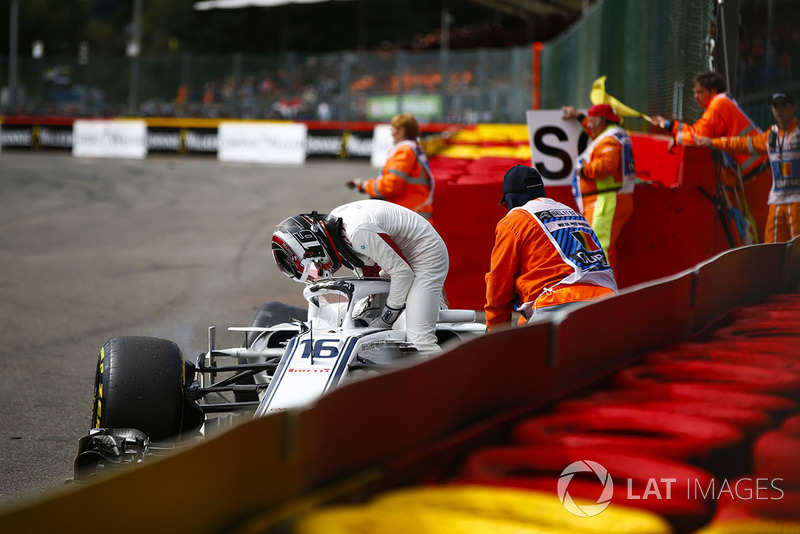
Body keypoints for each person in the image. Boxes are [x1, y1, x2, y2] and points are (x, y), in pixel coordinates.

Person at [271, 199, 448, 352]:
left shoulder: (356, 232)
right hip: (400, 256)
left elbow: (403, 273)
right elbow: (369, 270)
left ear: (313, 246)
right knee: (360, 315)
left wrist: (387, 319)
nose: (319, 269)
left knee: (419, 340)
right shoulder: (337, 228)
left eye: (315, 264)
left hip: (426, 255)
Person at [484, 164, 618, 331]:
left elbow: (498, 285)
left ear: (511, 198)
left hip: (557, 302)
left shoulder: (515, 219)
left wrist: (495, 333)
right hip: (607, 300)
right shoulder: (573, 213)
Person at [652, 71, 770, 242]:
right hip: (757, 170)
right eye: (695, 92)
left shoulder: (717, 105)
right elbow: (698, 131)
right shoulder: (721, 103)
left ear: (712, 91)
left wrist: (677, 138)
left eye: (700, 92)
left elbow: (698, 138)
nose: (696, 97)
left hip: (757, 172)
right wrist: (669, 125)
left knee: (763, 226)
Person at [697, 92, 800, 243]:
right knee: (772, 248)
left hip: (797, 201)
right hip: (776, 202)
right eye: (775, 106)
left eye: (783, 106)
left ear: (793, 107)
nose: (779, 111)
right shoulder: (771, 136)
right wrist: (713, 143)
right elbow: (742, 144)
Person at [562, 103, 636, 271]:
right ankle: (607, 294)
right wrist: (578, 116)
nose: (589, 125)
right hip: (606, 200)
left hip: (606, 202)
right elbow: (595, 135)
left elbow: (606, 167)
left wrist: (583, 171)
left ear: (603, 121)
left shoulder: (610, 139)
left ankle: (604, 295)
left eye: (592, 121)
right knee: (603, 250)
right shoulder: (611, 135)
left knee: (598, 251)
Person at [346, 113, 435, 223]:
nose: (391, 134)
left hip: (409, 218)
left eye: (393, 130)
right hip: (414, 214)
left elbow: (391, 186)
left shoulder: (405, 151)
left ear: (401, 131)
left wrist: (366, 185)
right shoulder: (414, 148)